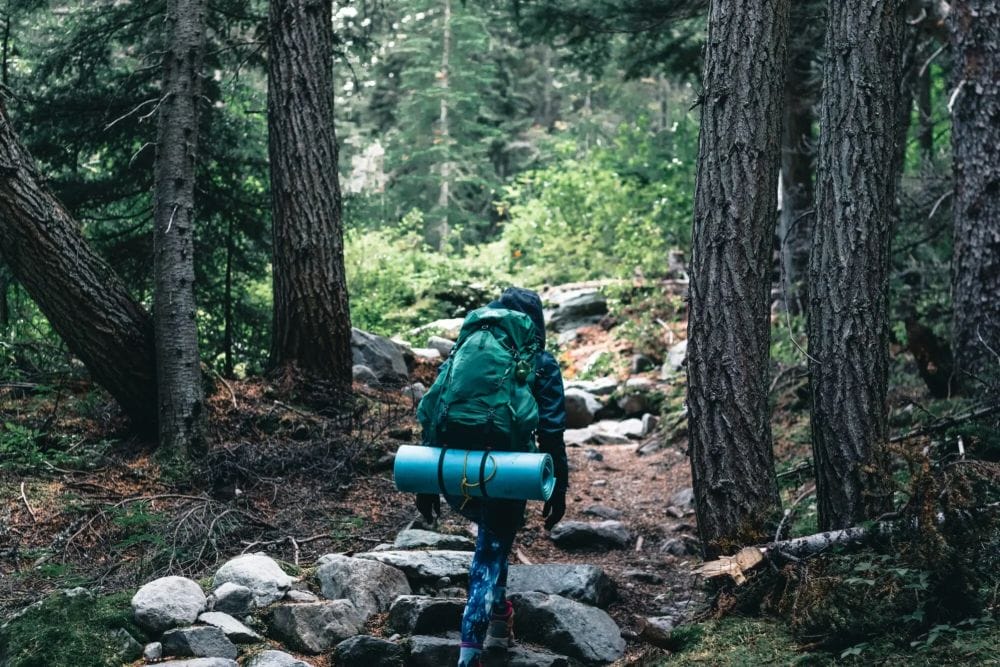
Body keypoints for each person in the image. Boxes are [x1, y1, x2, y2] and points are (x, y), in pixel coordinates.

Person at [415, 286, 568, 667]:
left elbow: (433, 409)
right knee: (489, 551)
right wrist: (557, 487)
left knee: (492, 540)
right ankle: (470, 654)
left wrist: (427, 485)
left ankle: (501, 615)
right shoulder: (541, 363)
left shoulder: (465, 354)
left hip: (452, 470)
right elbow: (551, 432)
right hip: (507, 474)